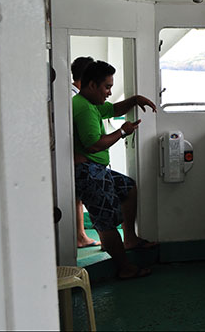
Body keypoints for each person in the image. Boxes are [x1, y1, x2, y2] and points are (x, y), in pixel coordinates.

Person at [73, 60, 158, 279]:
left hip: (96, 168)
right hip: (88, 173)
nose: (110, 92)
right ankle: (124, 268)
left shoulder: (90, 103)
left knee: (127, 187)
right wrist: (121, 132)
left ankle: (129, 239)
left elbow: (112, 109)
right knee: (107, 221)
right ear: (92, 85)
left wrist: (135, 99)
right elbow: (94, 144)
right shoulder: (83, 108)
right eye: (107, 87)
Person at [70, 56, 99, 248]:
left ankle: (80, 235)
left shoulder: (69, 93)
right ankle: (81, 236)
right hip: (76, 157)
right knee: (81, 196)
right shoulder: (75, 98)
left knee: (77, 197)